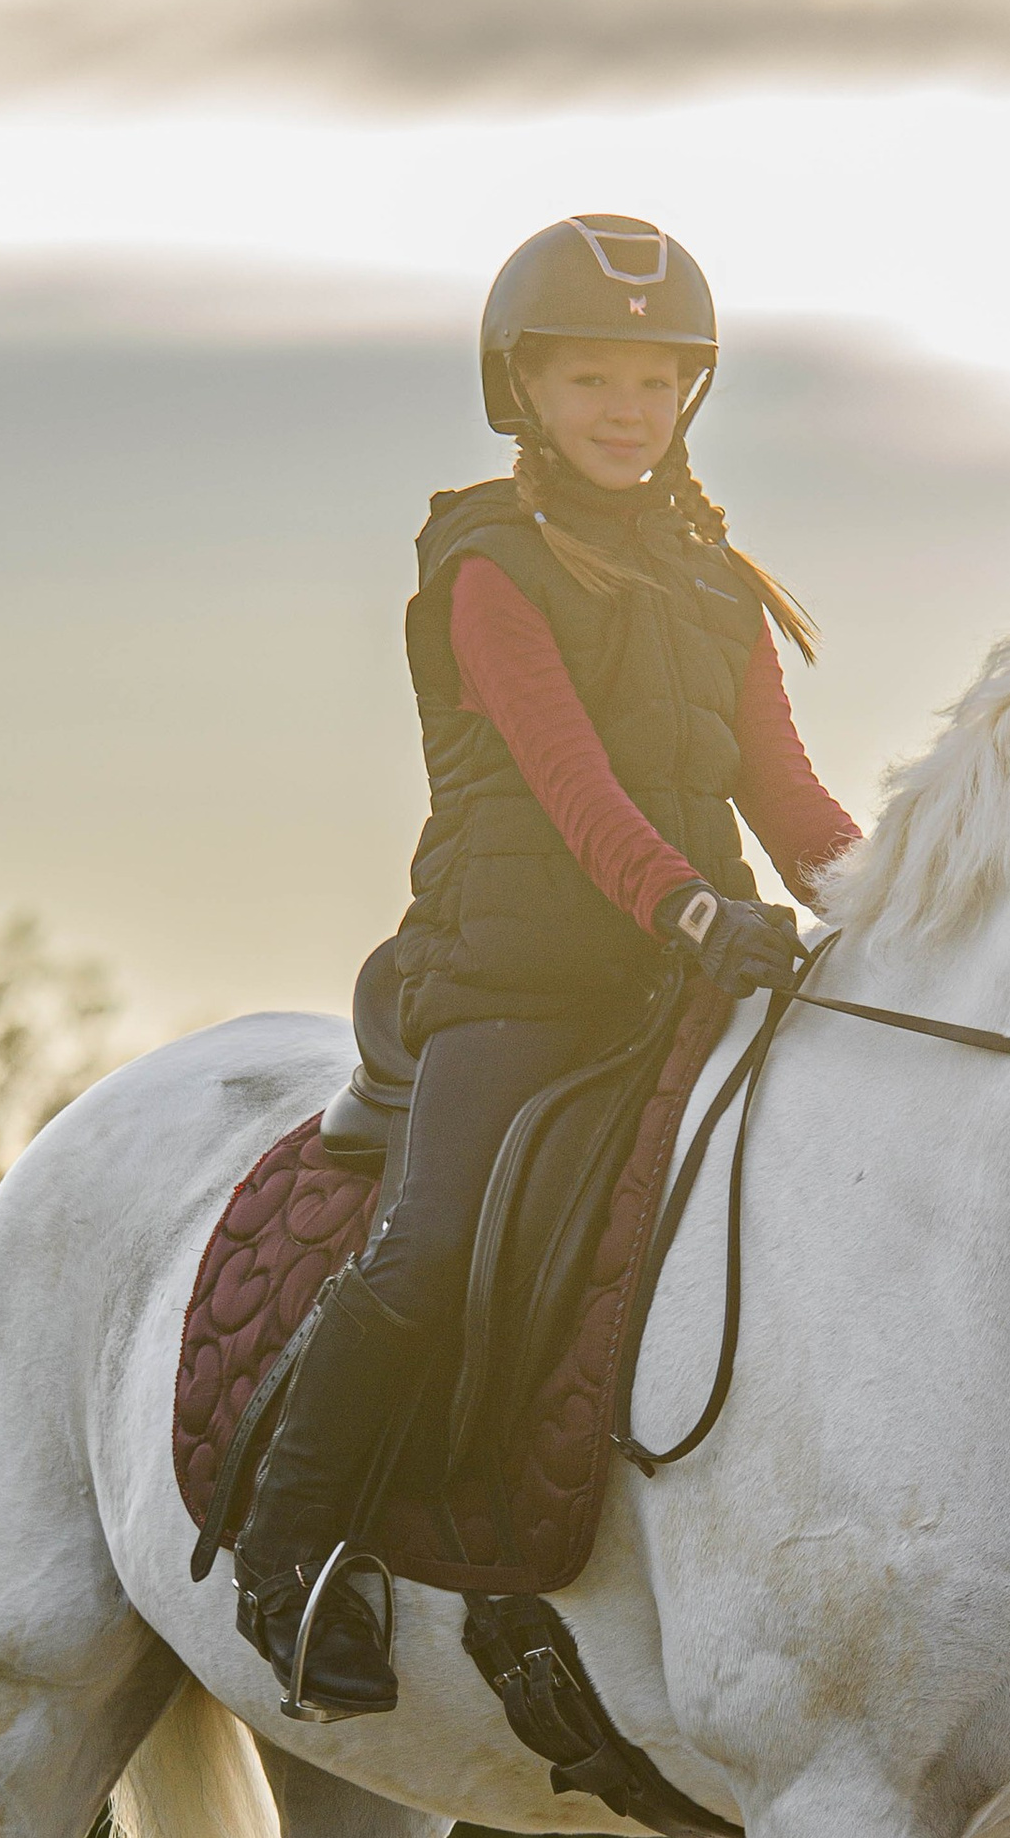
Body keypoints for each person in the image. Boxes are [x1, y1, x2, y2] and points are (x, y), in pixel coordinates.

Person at [231, 214, 861, 1717]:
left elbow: (786, 793)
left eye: (655, 381)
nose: (627, 412)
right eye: (592, 380)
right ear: (525, 391)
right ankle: (287, 1548)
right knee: (432, 1241)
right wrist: (693, 912)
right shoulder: (490, 568)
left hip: (685, 980)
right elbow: (573, 787)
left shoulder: (721, 584)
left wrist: (899, 910)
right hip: (509, 981)